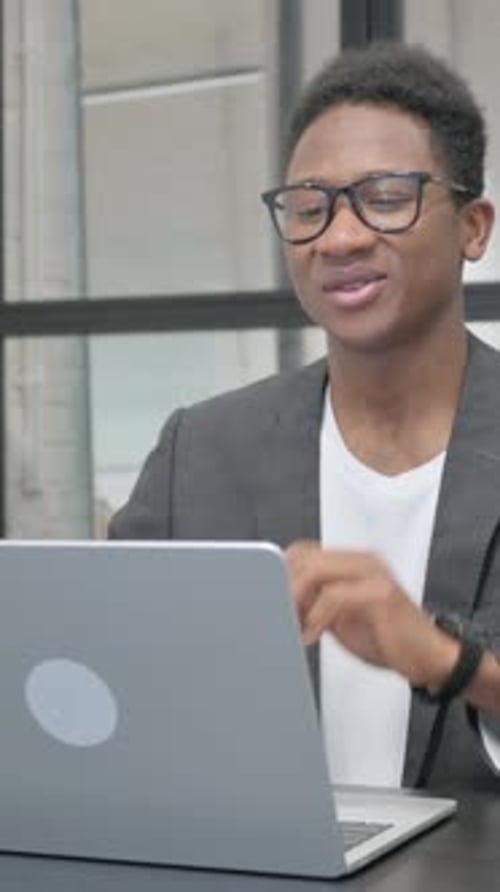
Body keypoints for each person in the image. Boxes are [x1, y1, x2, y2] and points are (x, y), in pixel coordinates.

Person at [109, 42, 500, 791]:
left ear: (473, 227)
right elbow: (110, 680)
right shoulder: (202, 453)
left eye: (386, 197)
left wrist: (449, 663)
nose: (340, 238)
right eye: (308, 208)